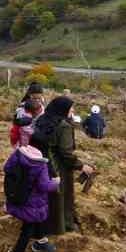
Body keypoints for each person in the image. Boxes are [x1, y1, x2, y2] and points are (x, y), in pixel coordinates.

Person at [32, 96, 94, 236]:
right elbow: (65, 153)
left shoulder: (43, 119)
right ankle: (60, 227)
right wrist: (81, 166)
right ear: (63, 109)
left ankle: (41, 224)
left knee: (45, 195)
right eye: (71, 108)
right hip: (58, 166)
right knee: (61, 197)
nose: (73, 110)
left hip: (41, 163)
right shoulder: (63, 126)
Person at [2, 132, 57, 252]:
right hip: (33, 202)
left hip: (17, 196)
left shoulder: (18, 154)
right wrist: (55, 183)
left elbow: (7, 169)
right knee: (28, 228)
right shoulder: (40, 164)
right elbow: (44, 186)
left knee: (36, 220)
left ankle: (41, 241)